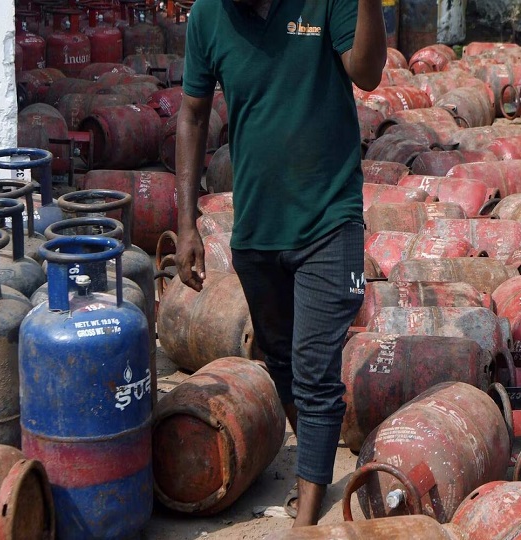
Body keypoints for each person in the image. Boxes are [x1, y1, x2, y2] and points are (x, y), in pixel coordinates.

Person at [174, 0, 386, 528]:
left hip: (329, 219)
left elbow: (366, 71)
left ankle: (305, 522)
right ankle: (312, 472)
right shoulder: (207, 17)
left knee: (315, 371)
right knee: (282, 361)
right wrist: (185, 223)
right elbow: (193, 113)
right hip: (258, 228)